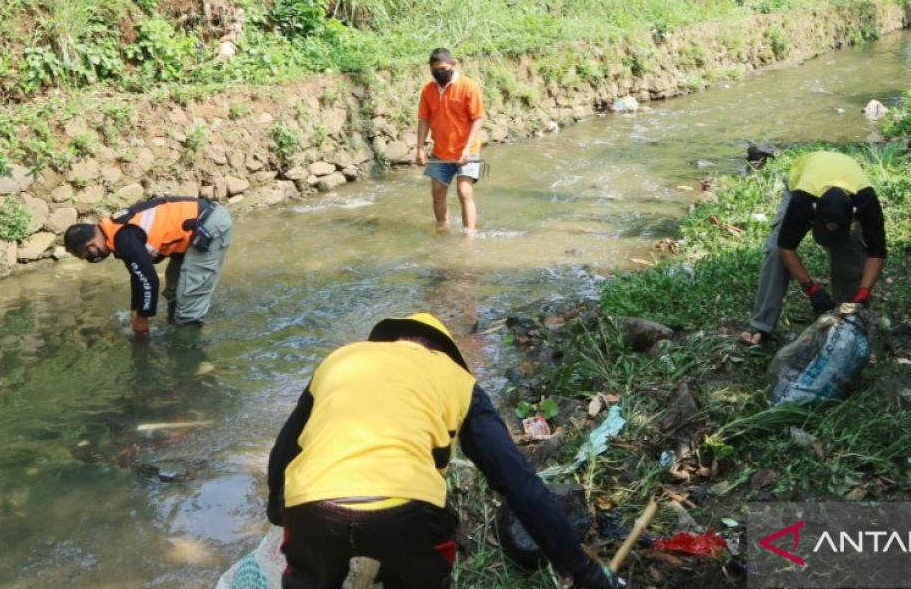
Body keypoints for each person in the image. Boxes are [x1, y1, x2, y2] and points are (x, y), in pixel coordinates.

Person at [266, 312, 617, 589]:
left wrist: (277, 511)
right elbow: (517, 482)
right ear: (443, 351)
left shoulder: (341, 359)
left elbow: (284, 448)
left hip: (311, 505)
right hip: (407, 511)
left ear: (389, 340)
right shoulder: (458, 381)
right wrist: (581, 567)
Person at [739, 151, 886, 346]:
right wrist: (810, 288)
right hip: (805, 180)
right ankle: (761, 325)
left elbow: (877, 252)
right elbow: (786, 247)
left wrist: (864, 291)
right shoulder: (802, 200)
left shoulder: (865, 200)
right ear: (814, 213)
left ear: (853, 217)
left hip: (847, 179)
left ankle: (846, 317)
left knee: (850, 252)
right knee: (775, 251)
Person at [63, 196, 234, 337]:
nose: (92, 259)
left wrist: (142, 318)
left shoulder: (124, 238)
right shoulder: (116, 232)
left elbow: (149, 279)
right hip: (194, 230)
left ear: (91, 245)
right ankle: (179, 329)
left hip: (208, 225)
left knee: (190, 298)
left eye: (87, 256)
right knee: (175, 290)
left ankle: (191, 358)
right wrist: (135, 311)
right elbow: (137, 276)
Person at [415, 48, 486, 235]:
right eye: (435, 70)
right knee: (437, 192)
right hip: (441, 152)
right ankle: (442, 227)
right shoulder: (428, 90)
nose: (440, 72)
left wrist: (466, 149)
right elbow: (423, 119)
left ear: (454, 64)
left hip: (467, 150)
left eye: (443, 68)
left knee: (464, 191)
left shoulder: (468, 86)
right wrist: (420, 148)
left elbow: (478, 118)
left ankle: (469, 235)